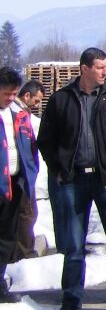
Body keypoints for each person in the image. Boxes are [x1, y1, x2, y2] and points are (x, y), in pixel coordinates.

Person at [37, 48, 106, 310]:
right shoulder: (62, 99)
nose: (105, 72)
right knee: (73, 245)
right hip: (73, 180)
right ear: (84, 68)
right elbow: (46, 140)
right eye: (100, 67)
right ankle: (71, 300)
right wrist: (58, 168)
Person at [0, 68, 39, 302]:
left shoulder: (19, 115)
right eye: (6, 94)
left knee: (6, 237)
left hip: (15, 184)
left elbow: (30, 147)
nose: (11, 98)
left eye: (14, 94)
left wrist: (30, 176)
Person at [12, 79, 44, 262]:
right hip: (20, 173)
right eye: (36, 100)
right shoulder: (15, 114)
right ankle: (23, 254)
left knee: (27, 212)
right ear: (26, 95)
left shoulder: (24, 114)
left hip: (26, 172)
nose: (38, 104)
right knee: (27, 213)